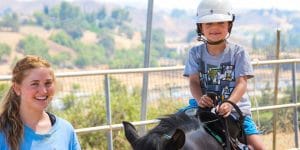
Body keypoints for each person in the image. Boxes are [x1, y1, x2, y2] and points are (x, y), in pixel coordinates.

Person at [182, 0, 265, 149]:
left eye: (221, 23)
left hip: (234, 110)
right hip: (201, 106)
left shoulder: (238, 53)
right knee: (167, 130)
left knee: (260, 148)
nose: (215, 28)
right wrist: (200, 98)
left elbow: (242, 83)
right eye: (208, 24)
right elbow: (194, 81)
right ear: (200, 27)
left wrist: (229, 103)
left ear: (229, 25)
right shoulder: (195, 53)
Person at [0, 55, 81, 150]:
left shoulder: (66, 130)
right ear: (17, 88)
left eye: (48, 83)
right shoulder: (3, 131)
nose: (43, 91)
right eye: (35, 84)